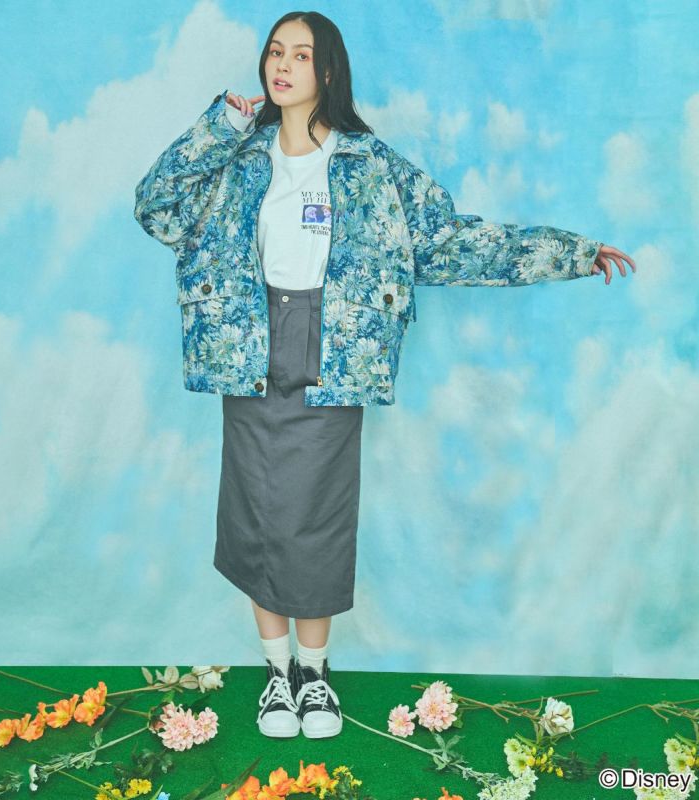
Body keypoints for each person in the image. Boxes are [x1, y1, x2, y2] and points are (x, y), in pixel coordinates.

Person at [133, 11, 636, 741]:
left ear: (327, 71)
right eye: (275, 52)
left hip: (338, 352)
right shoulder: (236, 157)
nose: (282, 66)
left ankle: (314, 677)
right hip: (246, 350)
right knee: (254, 512)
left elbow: (451, 241)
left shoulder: (371, 165)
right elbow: (155, 206)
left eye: (300, 55)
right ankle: (276, 676)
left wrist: (572, 253)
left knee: (318, 515)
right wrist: (218, 127)